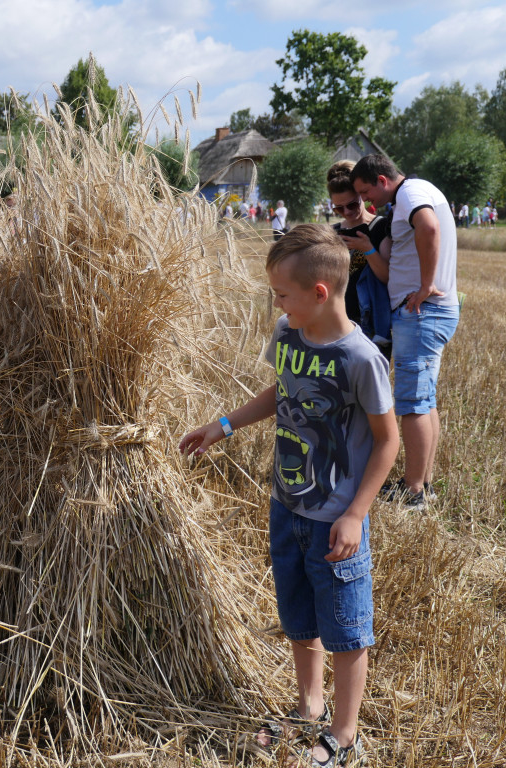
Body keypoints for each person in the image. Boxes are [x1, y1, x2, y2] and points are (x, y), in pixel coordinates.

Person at [180, 224, 398, 768]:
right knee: (299, 618)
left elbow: (387, 439)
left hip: (334, 521)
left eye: (281, 293)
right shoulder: (289, 334)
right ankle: (308, 707)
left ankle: (344, 735)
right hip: (287, 506)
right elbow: (282, 392)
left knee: (346, 630)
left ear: (319, 293)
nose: (275, 303)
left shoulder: (360, 359)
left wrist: (355, 513)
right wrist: (225, 424)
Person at [351, 154, 459, 510]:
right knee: (424, 400)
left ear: (382, 180)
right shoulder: (415, 193)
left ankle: (413, 492)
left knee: (412, 403)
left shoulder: (411, 193)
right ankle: (422, 482)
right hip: (425, 313)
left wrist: (426, 286)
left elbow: (428, 228)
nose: (369, 202)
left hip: (421, 312)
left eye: (367, 192)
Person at [327, 160, 392, 354]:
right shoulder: (332, 232)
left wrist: (368, 249)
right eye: (339, 208)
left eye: (352, 205)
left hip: (371, 323)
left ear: (362, 196)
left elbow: (388, 277)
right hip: (337, 320)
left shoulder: (381, 227)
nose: (347, 212)